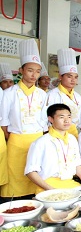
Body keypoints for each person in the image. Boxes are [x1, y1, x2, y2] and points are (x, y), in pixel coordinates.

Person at [0, 39, 47, 199]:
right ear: (21, 70)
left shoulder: (42, 94)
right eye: (30, 70)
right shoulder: (9, 93)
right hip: (16, 141)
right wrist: (13, 137)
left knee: (36, 179)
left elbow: (43, 120)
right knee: (15, 179)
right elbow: (4, 123)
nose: (34, 75)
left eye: (37, 71)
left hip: (37, 139)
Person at [25, 104, 81, 194]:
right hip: (48, 186)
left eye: (69, 117)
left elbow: (77, 163)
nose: (67, 120)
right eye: (61, 117)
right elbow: (30, 172)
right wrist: (51, 190)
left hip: (70, 185)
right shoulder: (41, 142)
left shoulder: (72, 139)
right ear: (50, 119)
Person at [44, 48, 81, 138]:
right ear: (60, 76)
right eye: (69, 76)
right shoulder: (51, 95)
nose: (73, 80)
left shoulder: (78, 97)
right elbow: (45, 119)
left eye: (76, 77)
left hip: (73, 133)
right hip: (56, 132)